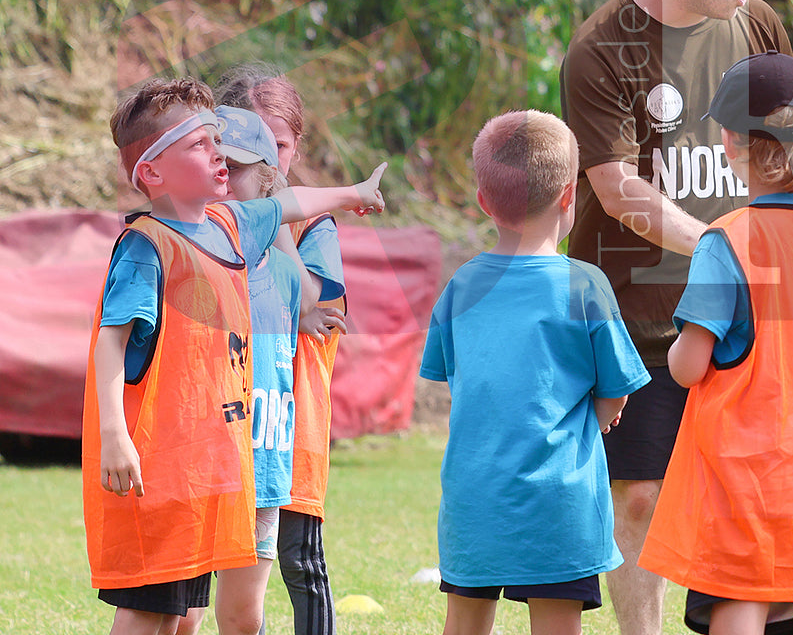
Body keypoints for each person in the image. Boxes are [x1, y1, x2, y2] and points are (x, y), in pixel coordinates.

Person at [561, 0, 791, 634]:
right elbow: (617, 186)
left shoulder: (759, 26)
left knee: (744, 491)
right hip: (639, 316)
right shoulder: (603, 47)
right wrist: (721, 247)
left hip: (742, 313)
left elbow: (789, 149)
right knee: (641, 496)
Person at [84, 77, 385, 635]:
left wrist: (353, 193)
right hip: (163, 471)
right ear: (151, 173)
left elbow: (288, 203)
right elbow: (111, 340)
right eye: (200, 145)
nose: (217, 154)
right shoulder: (146, 246)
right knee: (152, 611)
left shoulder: (227, 223)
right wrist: (114, 435)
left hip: (209, 470)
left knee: (179, 614)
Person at [638, 51, 793, 635]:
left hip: (747, 475)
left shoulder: (728, 241)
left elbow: (690, 366)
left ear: (729, 142)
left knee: (740, 600)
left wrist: (675, 351)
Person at [419, 110, 650, 635]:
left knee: (465, 623)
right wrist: (600, 414)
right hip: (559, 504)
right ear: (569, 195)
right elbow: (616, 394)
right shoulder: (585, 286)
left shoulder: (462, 286)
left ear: (483, 201)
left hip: (475, 499)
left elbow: (460, 378)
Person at [215, 64, 345, 635]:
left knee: (299, 563)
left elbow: (315, 304)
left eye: (281, 145)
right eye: (252, 148)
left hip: (290, 426)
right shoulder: (202, 221)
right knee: (222, 573)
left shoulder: (314, 221)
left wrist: (277, 219)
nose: (268, 162)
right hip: (223, 424)